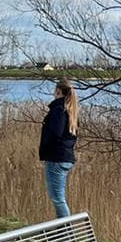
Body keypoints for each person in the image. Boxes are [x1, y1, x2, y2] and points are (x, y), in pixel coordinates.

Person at [39, 80, 79, 218]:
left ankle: (66, 228)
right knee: (58, 196)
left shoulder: (58, 110)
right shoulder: (71, 110)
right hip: (66, 157)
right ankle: (63, 226)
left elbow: (55, 133)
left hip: (56, 158)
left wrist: (45, 148)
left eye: (55, 91)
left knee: (57, 198)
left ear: (58, 91)